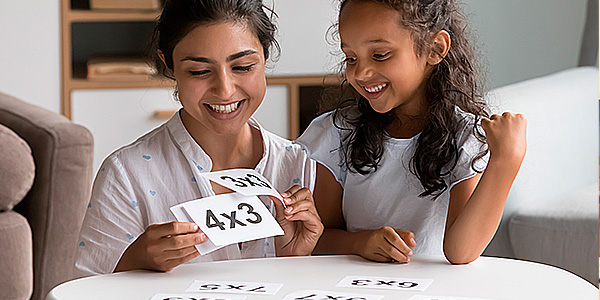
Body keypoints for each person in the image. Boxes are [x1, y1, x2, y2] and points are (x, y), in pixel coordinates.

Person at [74, 0, 323, 277]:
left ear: (265, 57)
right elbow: (80, 288)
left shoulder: (302, 166)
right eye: (200, 72)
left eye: (242, 67)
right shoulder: (127, 174)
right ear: (168, 65)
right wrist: (135, 261)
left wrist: (295, 259)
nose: (225, 91)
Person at [295, 0, 527, 265]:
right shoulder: (337, 133)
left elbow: (461, 252)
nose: (360, 72)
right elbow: (315, 238)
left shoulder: (464, 138)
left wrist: (505, 161)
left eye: (380, 54)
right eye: (351, 57)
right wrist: (359, 243)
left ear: (435, 48)